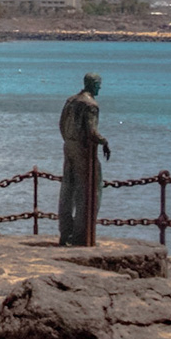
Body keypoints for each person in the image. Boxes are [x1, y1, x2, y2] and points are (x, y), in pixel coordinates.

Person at [58, 72, 112, 247]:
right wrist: (104, 141)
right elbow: (91, 132)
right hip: (83, 152)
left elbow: (61, 124)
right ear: (92, 84)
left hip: (69, 147)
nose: (100, 88)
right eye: (98, 84)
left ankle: (65, 232)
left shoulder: (71, 100)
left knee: (68, 189)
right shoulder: (91, 105)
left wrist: (69, 140)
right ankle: (81, 235)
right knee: (90, 192)